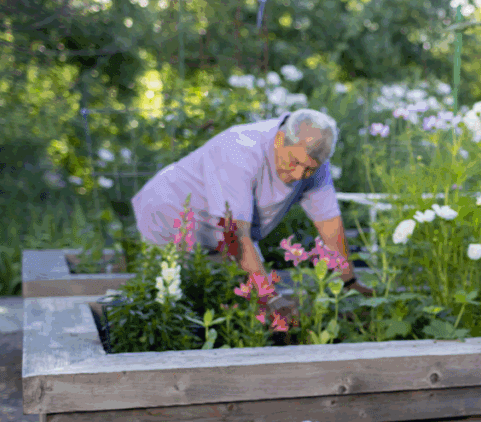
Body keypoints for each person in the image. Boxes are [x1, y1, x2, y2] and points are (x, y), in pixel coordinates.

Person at [131, 108, 376, 311]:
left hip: (220, 234)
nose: (300, 175)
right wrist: (271, 298)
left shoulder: (313, 161)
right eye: (295, 163)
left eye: (309, 169)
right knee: (171, 299)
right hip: (168, 213)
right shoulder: (240, 149)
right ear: (280, 139)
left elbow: (330, 224)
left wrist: (349, 283)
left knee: (228, 300)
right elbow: (235, 234)